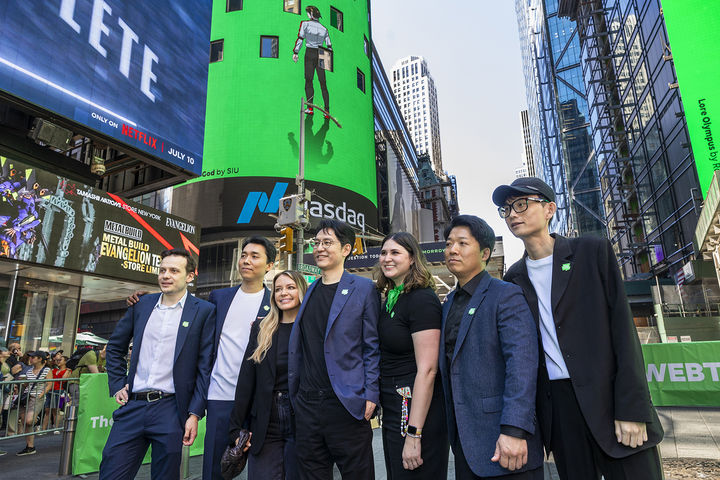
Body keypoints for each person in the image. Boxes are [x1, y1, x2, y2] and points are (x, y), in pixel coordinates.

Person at [493, 177, 664, 479]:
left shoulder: (592, 252)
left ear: (549, 209)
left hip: (610, 401)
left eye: (521, 204)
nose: (512, 214)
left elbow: (623, 332)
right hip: (559, 411)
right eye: (506, 209)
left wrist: (633, 409)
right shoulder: (512, 279)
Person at [127, 237, 275, 480]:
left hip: (259, 399)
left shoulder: (274, 302)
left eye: (255, 256)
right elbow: (188, 314)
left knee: (263, 469)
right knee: (214, 471)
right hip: (220, 397)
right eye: (244, 255)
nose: (246, 260)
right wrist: (143, 299)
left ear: (269, 265)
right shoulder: (220, 297)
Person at [439, 215, 543, 479]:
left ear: (485, 253)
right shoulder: (449, 303)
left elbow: (522, 364)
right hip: (465, 443)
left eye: (462, 243)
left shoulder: (505, 294)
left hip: (506, 443)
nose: (452, 249)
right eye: (449, 243)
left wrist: (514, 430)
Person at [99, 248, 216, 480]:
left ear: (190, 276)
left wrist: (195, 413)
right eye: (162, 270)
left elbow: (205, 368)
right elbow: (114, 348)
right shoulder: (141, 304)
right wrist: (118, 383)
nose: (166, 275)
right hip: (133, 406)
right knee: (111, 472)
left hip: (171, 409)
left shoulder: (204, 311)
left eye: (174, 270)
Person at [288, 219, 380, 480]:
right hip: (307, 405)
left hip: (346, 404)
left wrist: (370, 393)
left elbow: (371, 346)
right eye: (316, 243)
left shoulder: (363, 289)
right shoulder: (309, 291)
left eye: (328, 242)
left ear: (346, 249)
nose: (319, 248)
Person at [374, 232, 449, 479]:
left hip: (416, 413)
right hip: (395, 409)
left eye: (395, 253)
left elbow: (428, 370)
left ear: (413, 259)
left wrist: (414, 434)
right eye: (384, 253)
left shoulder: (422, 299)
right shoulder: (391, 298)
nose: (387, 258)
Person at [229, 270, 308, 480]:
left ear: (301, 291)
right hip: (266, 421)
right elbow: (246, 380)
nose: (283, 293)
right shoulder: (262, 328)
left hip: (301, 418)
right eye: (278, 289)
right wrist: (236, 428)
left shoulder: (311, 327)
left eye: (290, 287)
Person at [10, 351, 51, 455]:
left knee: (29, 421)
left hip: (36, 398)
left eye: (33, 357)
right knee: (26, 423)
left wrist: (41, 395)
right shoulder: (29, 371)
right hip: (26, 397)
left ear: (40, 359)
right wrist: (21, 382)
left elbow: (49, 384)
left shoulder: (46, 370)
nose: (31, 359)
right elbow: (27, 385)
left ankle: (34, 419)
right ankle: (30, 446)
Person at [293, 5, 332, 117]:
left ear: (310, 14)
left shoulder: (305, 24)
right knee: (323, 83)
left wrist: (296, 52)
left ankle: (310, 108)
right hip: (322, 53)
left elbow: (300, 39)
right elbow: (329, 45)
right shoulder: (324, 29)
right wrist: (329, 61)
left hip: (310, 52)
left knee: (309, 80)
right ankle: (327, 110)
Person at [43, 354, 70, 432]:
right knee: (47, 410)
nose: (58, 361)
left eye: (60, 360)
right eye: (57, 360)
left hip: (60, 391)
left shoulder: (68, 370)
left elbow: (64, 379)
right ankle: (44, 429)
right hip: (51, 390)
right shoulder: (53, 370)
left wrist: (67, 370)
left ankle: (56, 428)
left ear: (65, 362)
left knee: (57, 410)